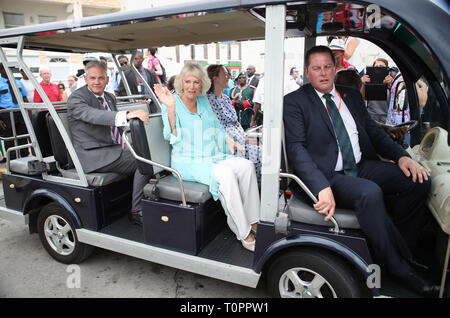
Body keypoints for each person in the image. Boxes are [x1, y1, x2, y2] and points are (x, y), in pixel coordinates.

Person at [283, 45, 439, 296]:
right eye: (316, 68)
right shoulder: (294, 102)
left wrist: (401, 157)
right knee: (370, 193)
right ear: (307, 72)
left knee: (418, 180)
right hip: (329, 176)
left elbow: (374, 133)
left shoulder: (351, 96)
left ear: (335, 69)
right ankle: (399, 268)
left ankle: (398, 249)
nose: (323, 73)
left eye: (327, 67)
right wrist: (321, 186)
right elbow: (296, 149)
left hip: (361, 165)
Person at [154, 62, 259, 252]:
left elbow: (216, 126)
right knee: (225, 175)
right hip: (188, 161)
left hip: (212, 154)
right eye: (187, 82)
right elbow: (170, 137)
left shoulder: (203, 101)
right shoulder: (172, 102)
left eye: (196, 82)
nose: (192, 86)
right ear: (181, 83)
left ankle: (253, 220)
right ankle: (243, 232)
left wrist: (228, 139)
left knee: (246, 166)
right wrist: (170, 109)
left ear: (202, 83)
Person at [67, 60, 151, 225]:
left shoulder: (109, 96)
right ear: (85, 78)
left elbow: (114, 128)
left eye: (100, 78)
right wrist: (127, 114)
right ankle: (136, 210)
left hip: (112, 149)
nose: (96, 82)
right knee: (145, 161)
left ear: (107, 79)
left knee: (149, 150)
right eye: (92, 78)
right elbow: (94, 115)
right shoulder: (76, 98)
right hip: (93, 156)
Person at [206, 64, 262, 186]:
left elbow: (235, 123)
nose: (229, 77)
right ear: (215, 78)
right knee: (259, 154)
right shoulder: (208, 100)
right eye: (225, 74)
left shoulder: (226, 98)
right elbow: (218, 128)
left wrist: (247, 138)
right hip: (226, 145)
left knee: (263, 150)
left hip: (240, 139)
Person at [0, 63, 30, 160]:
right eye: (5, 69)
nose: (8, 71)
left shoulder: (18, 82)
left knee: (23, 136)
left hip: (20, 112)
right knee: (9, 139)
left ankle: (25, 159)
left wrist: (29, 114)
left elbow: (25, 98)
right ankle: (12, 161)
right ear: (0, 70)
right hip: (6, 113)